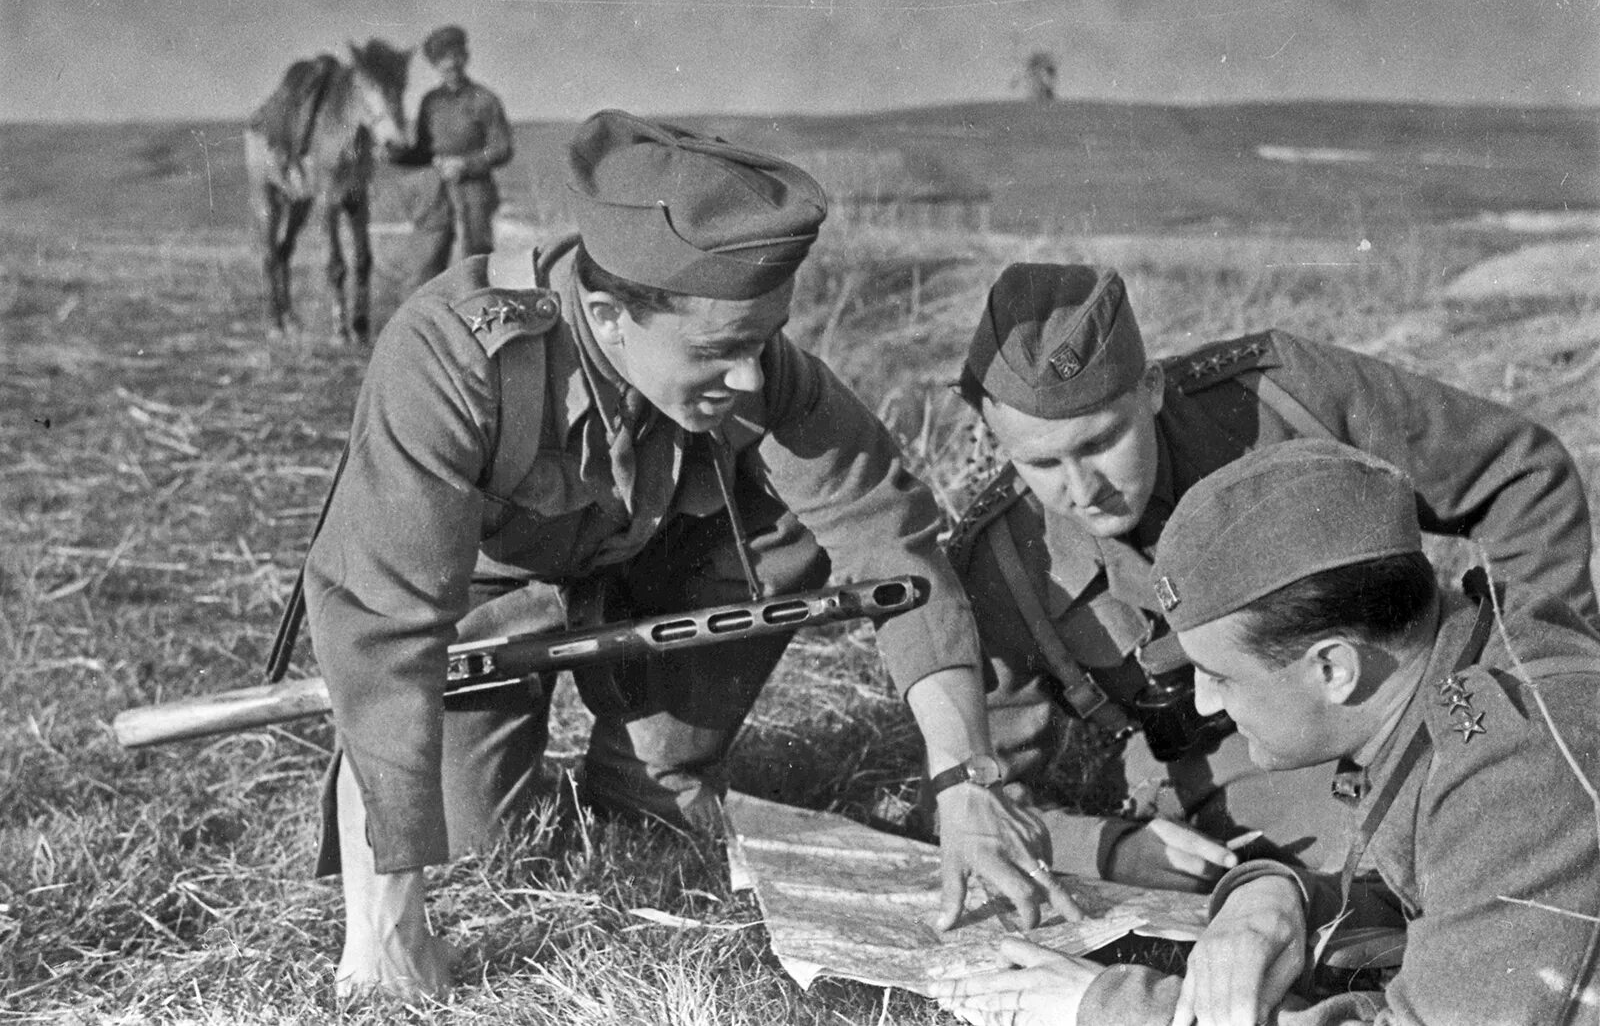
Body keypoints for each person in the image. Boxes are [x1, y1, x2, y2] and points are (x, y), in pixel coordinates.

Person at [306, 109, 1080, 1001]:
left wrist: (964, 777)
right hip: (484, 600)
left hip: (643, 562)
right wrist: (391, 925)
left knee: (787, 530)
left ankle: (648, 771)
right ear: (607, 314)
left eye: (764, 340)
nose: (753, 378)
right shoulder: (453, 357)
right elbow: (382, 625)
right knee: (473, 837)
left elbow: (889, 535)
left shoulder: (747, 363)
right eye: (720, 352)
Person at [946, 262, 1597, 890]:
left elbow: (1522, 474)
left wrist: (1533, 680)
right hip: (1243, 763)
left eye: (1099, 442)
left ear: (1151, 386)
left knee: (1530, 795)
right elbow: (966, 791)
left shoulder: (1285, 396)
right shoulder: (1003, 558)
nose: (1082, 487)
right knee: (1385, 862)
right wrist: (1109, 850)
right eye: (1041, 463)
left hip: (1399, 682)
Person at [930, 439, 1600, 1026]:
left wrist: (1111, 1007)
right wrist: (1280, 893)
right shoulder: (1467, 663)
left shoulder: (1516, 770)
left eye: (1220, 674)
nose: (1204, 700)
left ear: (1334, 667)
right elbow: (1454, 898)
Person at [388, 24, 514, 290]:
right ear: (435, 65)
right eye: (443, 59)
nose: (450, 64)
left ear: (464, 57)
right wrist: (395, 154)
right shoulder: (430, 102)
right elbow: (423, 151)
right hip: (436, 193)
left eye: (456, 56)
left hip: (475, 192)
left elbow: (502, 147)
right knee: (427, 266)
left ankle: (479, 322)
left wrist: (466, 164)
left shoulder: (485, 99)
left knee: (476, 264)